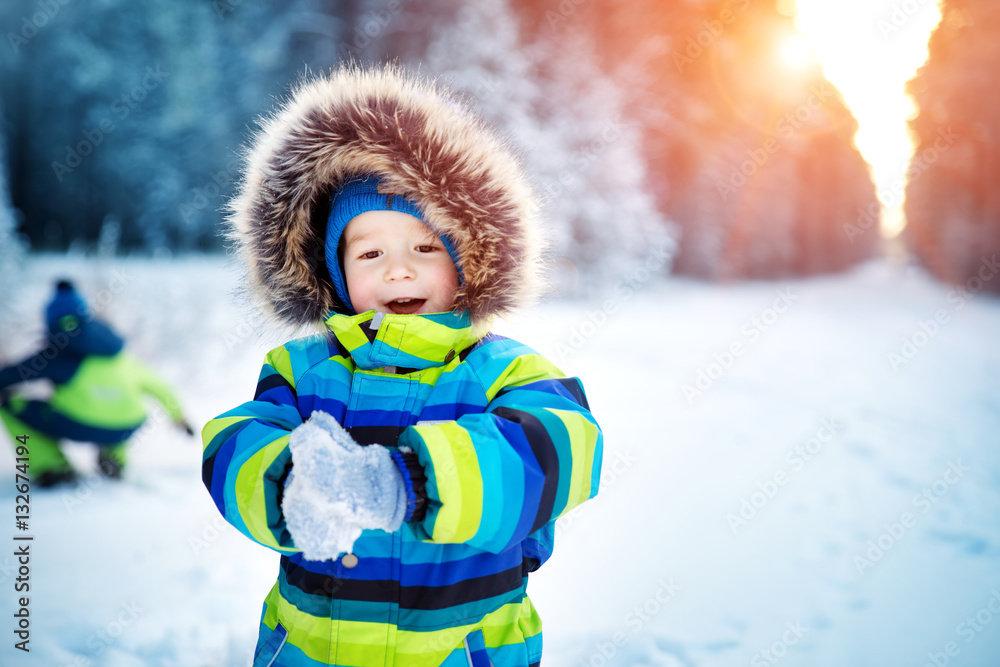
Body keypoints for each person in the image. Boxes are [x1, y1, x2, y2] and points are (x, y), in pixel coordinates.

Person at [202, 64, 603, 667]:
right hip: (311, 651)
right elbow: (230, 445)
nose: (398, 270)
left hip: (462, 650)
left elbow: (563, 450)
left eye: (425, 246)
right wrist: (288, 483)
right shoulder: (303, 372)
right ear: (334, 273)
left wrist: (409, 482)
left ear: (468, 258)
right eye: (370, 253)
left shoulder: (506, 372)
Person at [0, 279, 193, 486]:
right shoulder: (117, 353)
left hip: (79, 423)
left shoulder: (57, 353)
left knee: (10, 405)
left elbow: (12, 375)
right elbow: (158, 385)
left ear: (50, 319)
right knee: (116, 414)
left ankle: (52, 468)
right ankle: (113, 461)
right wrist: (179, 417)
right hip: (127, 425)